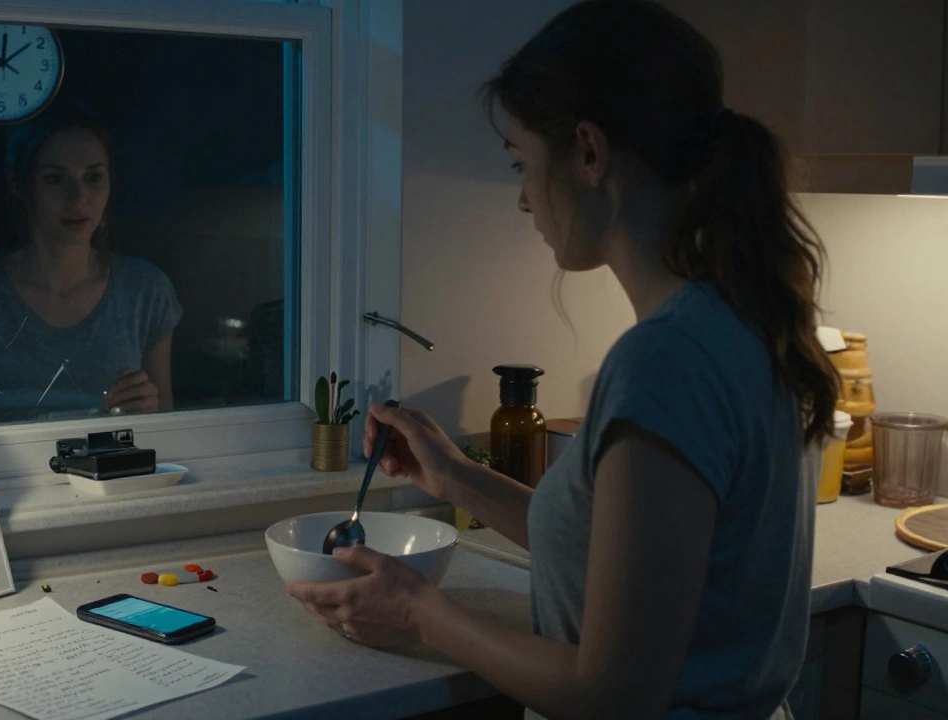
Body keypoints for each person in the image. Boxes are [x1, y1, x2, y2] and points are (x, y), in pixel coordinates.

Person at [285, 3, 839, 719]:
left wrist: (420, 612)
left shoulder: (665, 361)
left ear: (587, 152)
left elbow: (613, 693)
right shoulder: (742, 321)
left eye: (522, 163)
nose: (522, 199)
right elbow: (611, 554)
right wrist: (454, 475)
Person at [0, 105, 183, 421]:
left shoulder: (145, 291)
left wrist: (146, 407)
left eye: (94, 177)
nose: (78, 198)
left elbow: (167, 425)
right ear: (20, 185)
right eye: (55, 179)